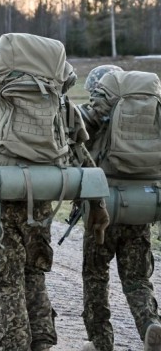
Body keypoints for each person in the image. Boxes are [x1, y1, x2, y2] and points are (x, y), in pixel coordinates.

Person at [0, 33, 110, 351]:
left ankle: (15, 343)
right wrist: (98, 203)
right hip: (42, 200)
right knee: (34, 271)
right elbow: (81, 156)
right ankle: (42, 341)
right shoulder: (59, 104)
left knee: (8, 280)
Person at [79, 66, 161, 351]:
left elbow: (74, 140)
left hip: (103, 205)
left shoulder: (96, 114)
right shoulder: (147, 113)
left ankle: (100, 341)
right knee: (138, 277)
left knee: (95, 274)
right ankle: (150, 324)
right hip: (142, 203)